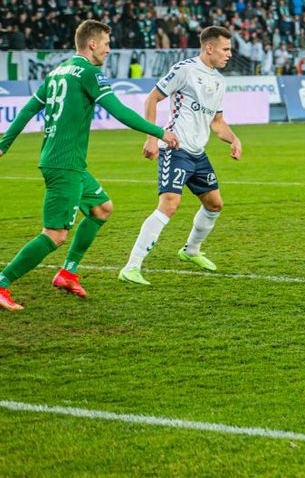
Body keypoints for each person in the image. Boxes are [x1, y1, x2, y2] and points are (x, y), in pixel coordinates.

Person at [0, 20, 179, 311]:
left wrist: (3, 145)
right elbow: (118, 111)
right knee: (55, 234)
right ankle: (3, 282)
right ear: (92, 43)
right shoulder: (90, 73)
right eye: (107, 43)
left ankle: (67, 273)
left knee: (101, 209)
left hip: (65, 161)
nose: (109, 49)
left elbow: (29, 109)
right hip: (64, 164)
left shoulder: (57, 72)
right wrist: (160, 132)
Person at [119, 27, 242, 286]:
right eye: (225, 49)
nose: (229, 54)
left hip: (198, 153)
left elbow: (217, 122)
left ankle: (191, 251)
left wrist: (233, 139)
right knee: (170, 204)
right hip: (175, 149)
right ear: (209, 48)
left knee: (214, 204)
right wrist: (152, 137)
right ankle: (132, 266)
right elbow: (152, 100)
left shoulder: (219, 81)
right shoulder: (185, 70)